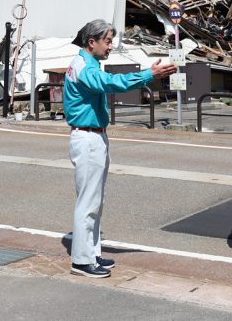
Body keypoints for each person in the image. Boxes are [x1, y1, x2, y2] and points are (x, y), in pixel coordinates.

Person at [64, 19, 176, 278]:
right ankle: (81, 261)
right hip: (88, 137)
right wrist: (149, 75)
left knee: (94, 200)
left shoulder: (84, 63)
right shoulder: (84, 67)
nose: (111, 46)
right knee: (88, 202)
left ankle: (91, 254)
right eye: (107, 41)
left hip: (93, 136)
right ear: (91, 42)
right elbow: (110, 83)